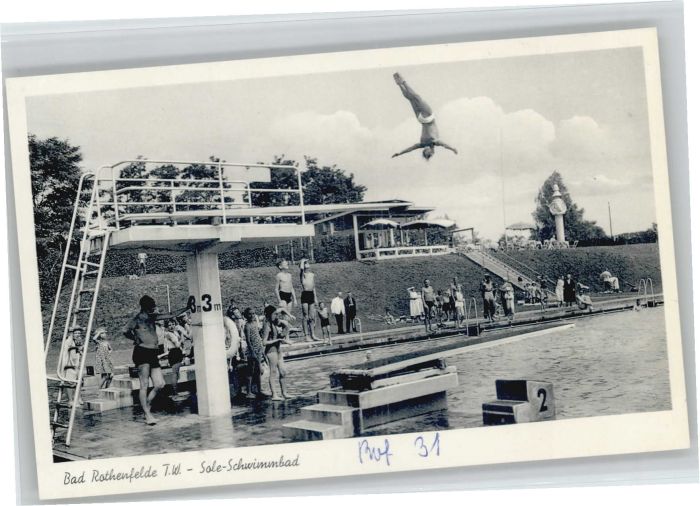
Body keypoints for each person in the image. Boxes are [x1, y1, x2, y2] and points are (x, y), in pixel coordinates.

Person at [123, 295, 189, 425]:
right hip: (141, 352)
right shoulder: (136, 320)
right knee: (144, 385)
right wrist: (134, 338)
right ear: (145, 307)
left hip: (153, 353)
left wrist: (187, 307)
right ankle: (147, 414)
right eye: (152, 307)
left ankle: (146, 406)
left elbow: (170, 314)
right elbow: (125, 330)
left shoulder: (152, 317)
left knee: (160, 384)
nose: (154, 309)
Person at [391, 72, 458, 160]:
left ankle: (402, 82)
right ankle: (400, 84)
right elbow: (445, 145)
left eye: (424, 151)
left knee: (415, 97)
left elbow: (410, 149)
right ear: (431, 150)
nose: (425, 149)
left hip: (426, 118)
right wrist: (452, 149)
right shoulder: (431, 143)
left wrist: (399, 153)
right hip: (423, 118)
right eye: (427, 151)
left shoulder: (429, 143)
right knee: (412, 98)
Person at [261, 305, 292, 401]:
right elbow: (264, 342)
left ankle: (284, 393)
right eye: (274, 314)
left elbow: (284, 329)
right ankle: (274, 394)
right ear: (269, 315)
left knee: (283, 372)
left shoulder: (275, 322)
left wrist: (284, 330)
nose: (276, 316)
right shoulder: (267, 325)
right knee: (273, 372)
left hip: (278, 349)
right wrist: (278, 340)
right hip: (271, 351)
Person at [243, 307, 267, 399]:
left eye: (253, 313)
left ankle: (259, 389)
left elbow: (258, 336)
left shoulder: (255, 323)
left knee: (258, 370)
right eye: (250, 314)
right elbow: (248, 340)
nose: (252, 315)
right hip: (252, 351)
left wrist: (261, 349)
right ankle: (248, 392)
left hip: (258, 349)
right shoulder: (247, 326)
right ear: (246, 316)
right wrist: (252, 352)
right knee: (250, 371)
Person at [159, 319, 184, 397]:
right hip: (174, 353)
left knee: (177, 373)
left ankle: (175, 391)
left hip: (178, 352)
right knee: (175, 373)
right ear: (167, 326)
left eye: (173, 324)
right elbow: (177, 345)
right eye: (169, 325)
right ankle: (175, 392)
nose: (171, 326)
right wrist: (182, 338)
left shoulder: (175, 332)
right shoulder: (168, 334)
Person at [61, 326, 84, 406]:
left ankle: (78, 398)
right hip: (69, 364)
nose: (78, 334)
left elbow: (80, 352)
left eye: (79, 333)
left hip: (77, 364)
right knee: (70, 382)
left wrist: (81, 349)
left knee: (79, 381)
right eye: (76, 333)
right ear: (72, 334)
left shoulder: (78, 341)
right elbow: (67, 352)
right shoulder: (69, 341)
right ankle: (70, 400)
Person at [299, 259, 319, 341]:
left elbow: (313, 287)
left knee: (312, 316)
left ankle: (313, 334)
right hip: (305, 294)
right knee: (305, 316)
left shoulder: (312, 274)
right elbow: (301, 269)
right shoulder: (302, 274)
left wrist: (315, 298)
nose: (307, 264)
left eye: (307, 263)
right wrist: (302, 261)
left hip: (311, 294)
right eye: (305, 263)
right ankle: (306, 336)